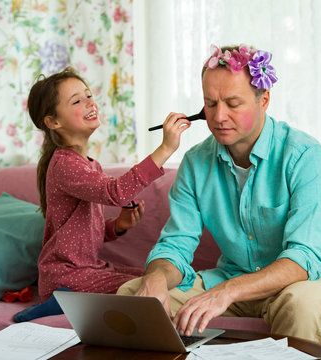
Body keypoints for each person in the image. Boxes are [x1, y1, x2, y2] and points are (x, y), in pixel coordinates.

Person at [117, 44, 321, 343]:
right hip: (232, 280)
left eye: (232, 103)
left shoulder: (305, 155)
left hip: (309, 284)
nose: (219, 116)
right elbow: (175, 245)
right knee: (133, 295)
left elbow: (303, 258)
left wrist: (227, 292)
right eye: (210, 104)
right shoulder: (195, 162)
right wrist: (155, 278)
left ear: (263, 100)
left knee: (299, 303)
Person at [14, 66, 190, 322]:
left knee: (154, 279)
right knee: (146, 287)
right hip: (67, 276)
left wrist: (117, 225)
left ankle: (63, 299)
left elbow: (79, 234)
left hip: (84, 270)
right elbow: (116, 192)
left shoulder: (88, 164)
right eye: (77, 100)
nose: (89, 102)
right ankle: (61, 300)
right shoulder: (65, 163)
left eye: (88, 95)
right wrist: (166, 148)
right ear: (53, 122)